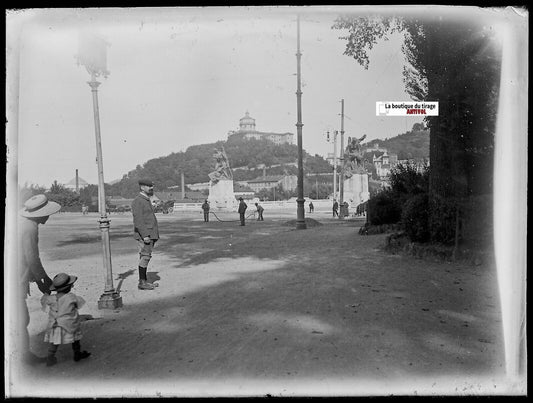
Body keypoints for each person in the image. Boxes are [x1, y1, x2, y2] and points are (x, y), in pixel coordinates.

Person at [18, 194, 61, 364]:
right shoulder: (29, 227)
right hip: (15, 279)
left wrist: (39, 281)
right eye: (47, 213)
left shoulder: (23, 223)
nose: (48, 216)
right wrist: (43, 279)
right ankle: (23, 355)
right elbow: (32, 258)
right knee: (21, 317)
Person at [40, 272, 91, 367]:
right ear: (69, 287)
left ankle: (50, 358)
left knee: (54, 342)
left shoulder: (50, 299)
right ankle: (77, 354)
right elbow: (80, 304)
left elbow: (44, 301)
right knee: (75, 339)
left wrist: (46, 292)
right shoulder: (72, 297)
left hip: (55, 325)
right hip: (69, 325)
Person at [131, 179, 160, 290]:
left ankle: (143, 281)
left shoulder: (145, 200)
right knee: (145, 257)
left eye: (151, 186)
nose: (151, 188)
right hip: (146, 235)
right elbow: (138, 220)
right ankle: (142, 283)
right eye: (149, 186)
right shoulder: (138, 201)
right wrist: (145, 235)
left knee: (144, 256)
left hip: (150, 234)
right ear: (142, 187)